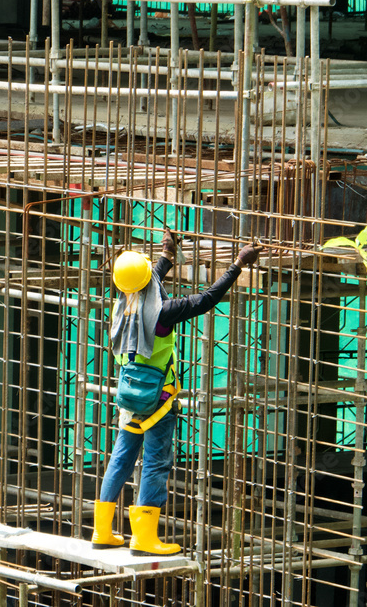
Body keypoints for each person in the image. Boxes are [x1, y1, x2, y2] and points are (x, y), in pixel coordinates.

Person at [91, 231, 263, 555]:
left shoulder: (123, 301)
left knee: (121, 459)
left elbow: (149, 278)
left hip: (130, 397)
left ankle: (103, 530)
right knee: (156, 463)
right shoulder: (163, 313)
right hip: (158, 400)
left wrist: (167, 257)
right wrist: (238, 265)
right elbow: (206, 299)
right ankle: (143, 538)